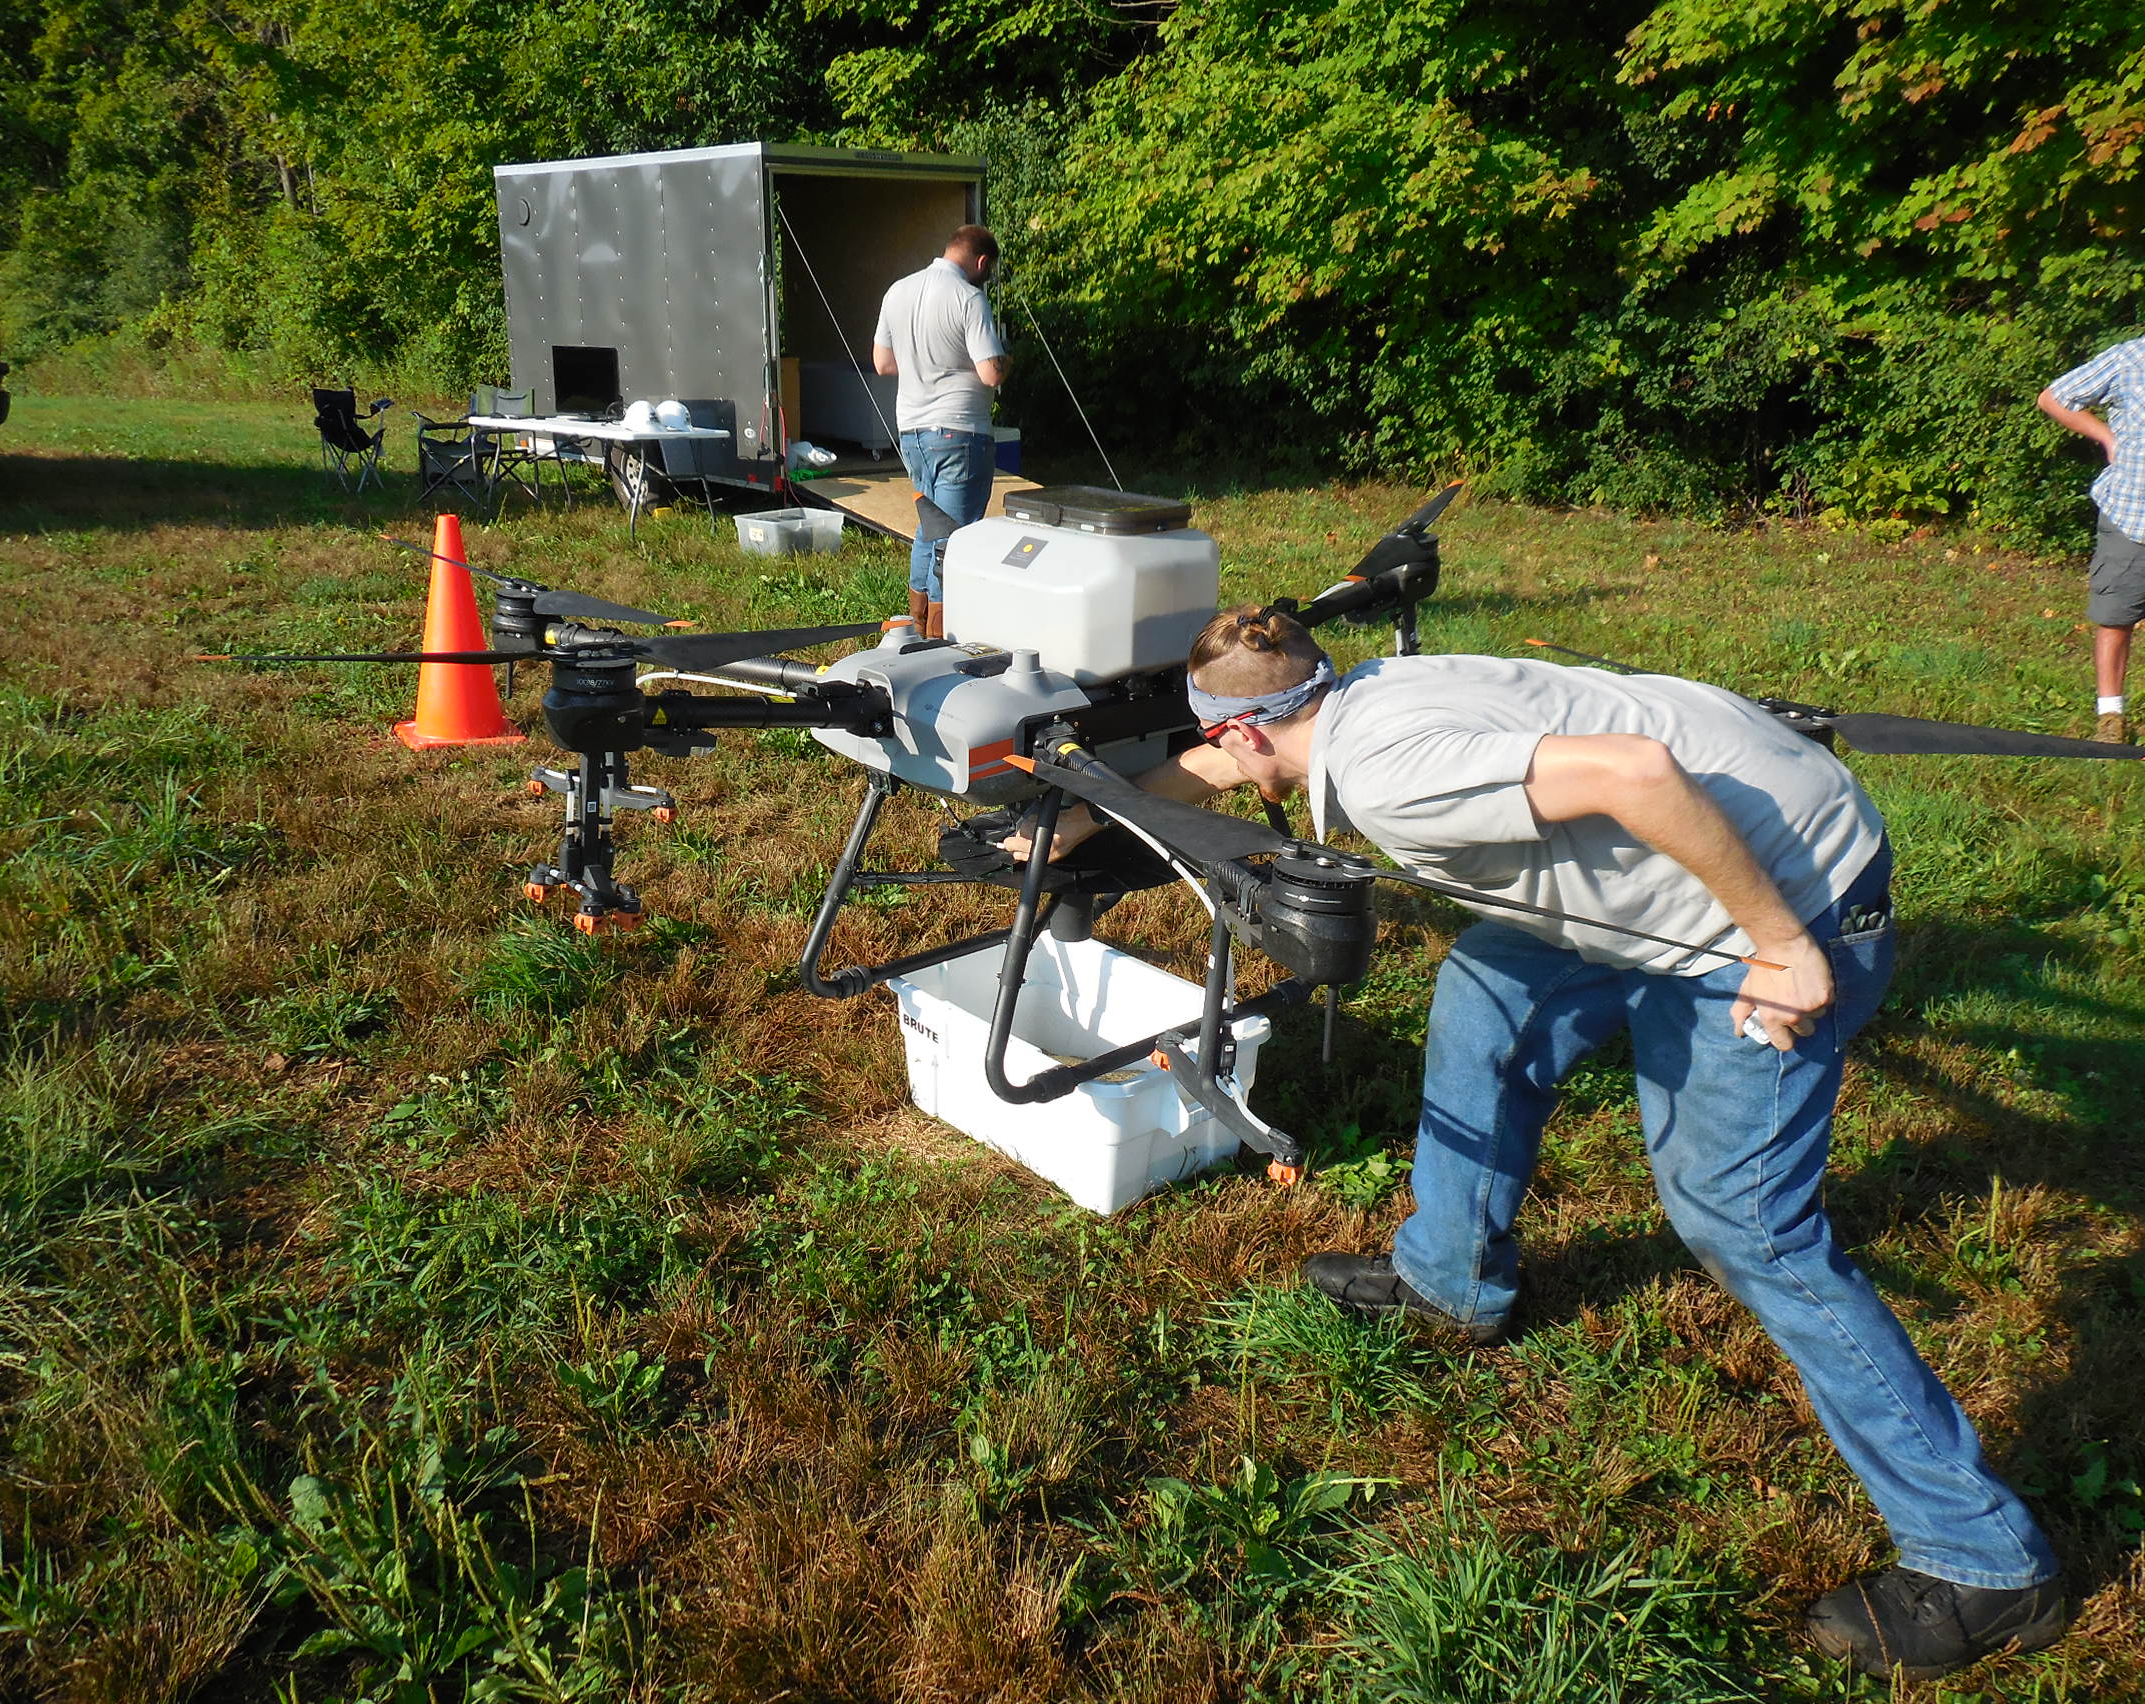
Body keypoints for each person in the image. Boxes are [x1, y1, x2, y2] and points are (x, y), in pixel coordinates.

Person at [1021, 608, 2066, 1683]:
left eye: (1229, 754)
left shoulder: (1384, 777)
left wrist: (1784, 945)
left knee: (1744, 1220)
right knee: (1485, 992)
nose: (1228, 771)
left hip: (1779, 900)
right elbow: (1217, 761)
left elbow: (1639, 774)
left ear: (1253, 731)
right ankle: (1452, 1281)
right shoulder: (1362, 688)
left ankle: (1984, 1562)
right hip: (1682, 873)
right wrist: (1088, 821)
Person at [873, 225, 1008, 641]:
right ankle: (941, 638)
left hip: (911, 430)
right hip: (959, 431)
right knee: (955, 539)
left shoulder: (898, 291)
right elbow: (990, 373)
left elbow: (883, 363)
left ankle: (917, 625)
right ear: (982, 262)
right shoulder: (969, 297)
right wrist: (1004, 362)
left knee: (930, 527)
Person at [2038, 336, 2145, 743]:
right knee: (2115, 616)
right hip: (2133, 514)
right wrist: (2106, 436)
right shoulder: (2130, 358)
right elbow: (2054, 398)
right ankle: (2111, 718)